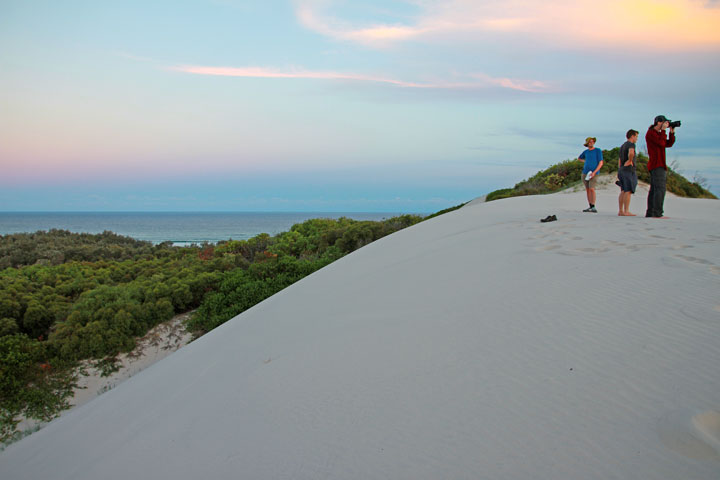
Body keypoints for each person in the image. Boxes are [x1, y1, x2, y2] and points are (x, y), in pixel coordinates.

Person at [645, 115, 676, 218]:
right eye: (664, 122)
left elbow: (668, 144)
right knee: (660, 189)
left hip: (659, 164)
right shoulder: (651, 133)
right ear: (659, 122)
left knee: (655, 189)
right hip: (656, 164)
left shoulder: (657, 133)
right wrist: (663, 131)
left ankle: (651, 212)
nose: (666, 125)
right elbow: (661, 143)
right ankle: (657, 213)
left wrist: (671, 133)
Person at [578, 136, 604, 212]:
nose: (591, 143)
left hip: (594, 172)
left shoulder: (597, 151)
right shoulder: (585, 152)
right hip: (585, 172)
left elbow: (601, 163)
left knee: (592, 188)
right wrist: (585, 162)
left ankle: (593, 205)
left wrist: (594, 172)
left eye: (592, 141)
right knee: (588, 189)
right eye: (590, 142)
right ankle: (590, 205)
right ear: (587, 143)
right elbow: (579, 158)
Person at [617, 129, 639, 216]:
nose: (637, 138)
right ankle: (626, 210)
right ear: (632, 136)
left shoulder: (623, 145)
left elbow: (619, 159)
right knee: (628, 190)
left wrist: (620, 168)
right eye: (636, 136)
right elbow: (631, 153)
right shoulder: (631, 144)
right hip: (628, 170)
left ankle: (621, 210)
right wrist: (630, 160)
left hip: (622, 169)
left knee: (623, 190)